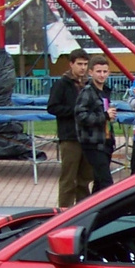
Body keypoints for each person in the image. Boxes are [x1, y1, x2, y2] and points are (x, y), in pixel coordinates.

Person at [48, 51, 92, 207]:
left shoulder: (89, 84)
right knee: (68, 178)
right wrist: (75, 110)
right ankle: (64, 210)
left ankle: (83, 209)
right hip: (70, 136)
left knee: (85, 178)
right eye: (79, 64)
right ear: (71, 64)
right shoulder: (62, 84)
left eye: (85, 64)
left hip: (88, 136)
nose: (83, 68)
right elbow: (52, 107)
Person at [74, 58, 116, 194]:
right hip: (92, 143)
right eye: (98, 71)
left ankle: (94, 210)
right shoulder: (87, 92)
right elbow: (81, 116)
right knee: (106, 182)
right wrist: (104, 116)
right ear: (91, 72)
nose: (102, 75)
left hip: (106, 141)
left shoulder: (105, 92)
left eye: (105, 71)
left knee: (99, 182)